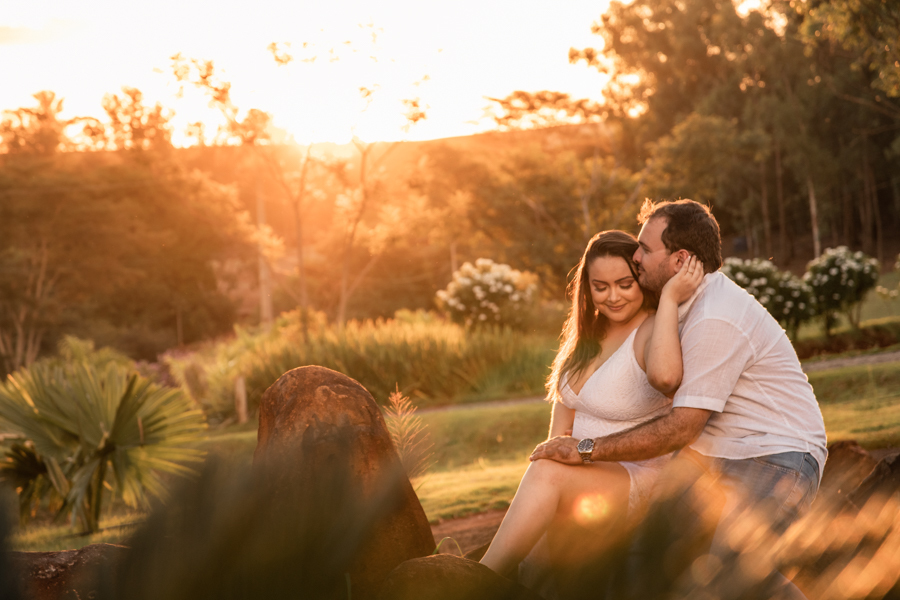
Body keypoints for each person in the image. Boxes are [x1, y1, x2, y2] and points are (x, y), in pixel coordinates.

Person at [530, 199, 827, 598]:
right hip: (714, 454)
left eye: (645, 249)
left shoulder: (714, 315)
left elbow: (680, 423)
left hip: (776, 454)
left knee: (727, 575)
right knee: (648, 550)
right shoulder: (679, 300)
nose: (635, 257)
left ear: (680, 258)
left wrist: (585, 449)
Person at [479, 230, 703, 582]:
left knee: (546, 475)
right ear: (587, 288)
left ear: (640, 277)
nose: (613, 297)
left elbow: (669, 381)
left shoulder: (651, 331)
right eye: (600, 287)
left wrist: (671, 299)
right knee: (540, 495)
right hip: (584, 473)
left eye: (624, 283)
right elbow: (560, 425)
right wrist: (550, 457)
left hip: (638, 479)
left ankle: (476, 579)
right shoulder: (587, 335)